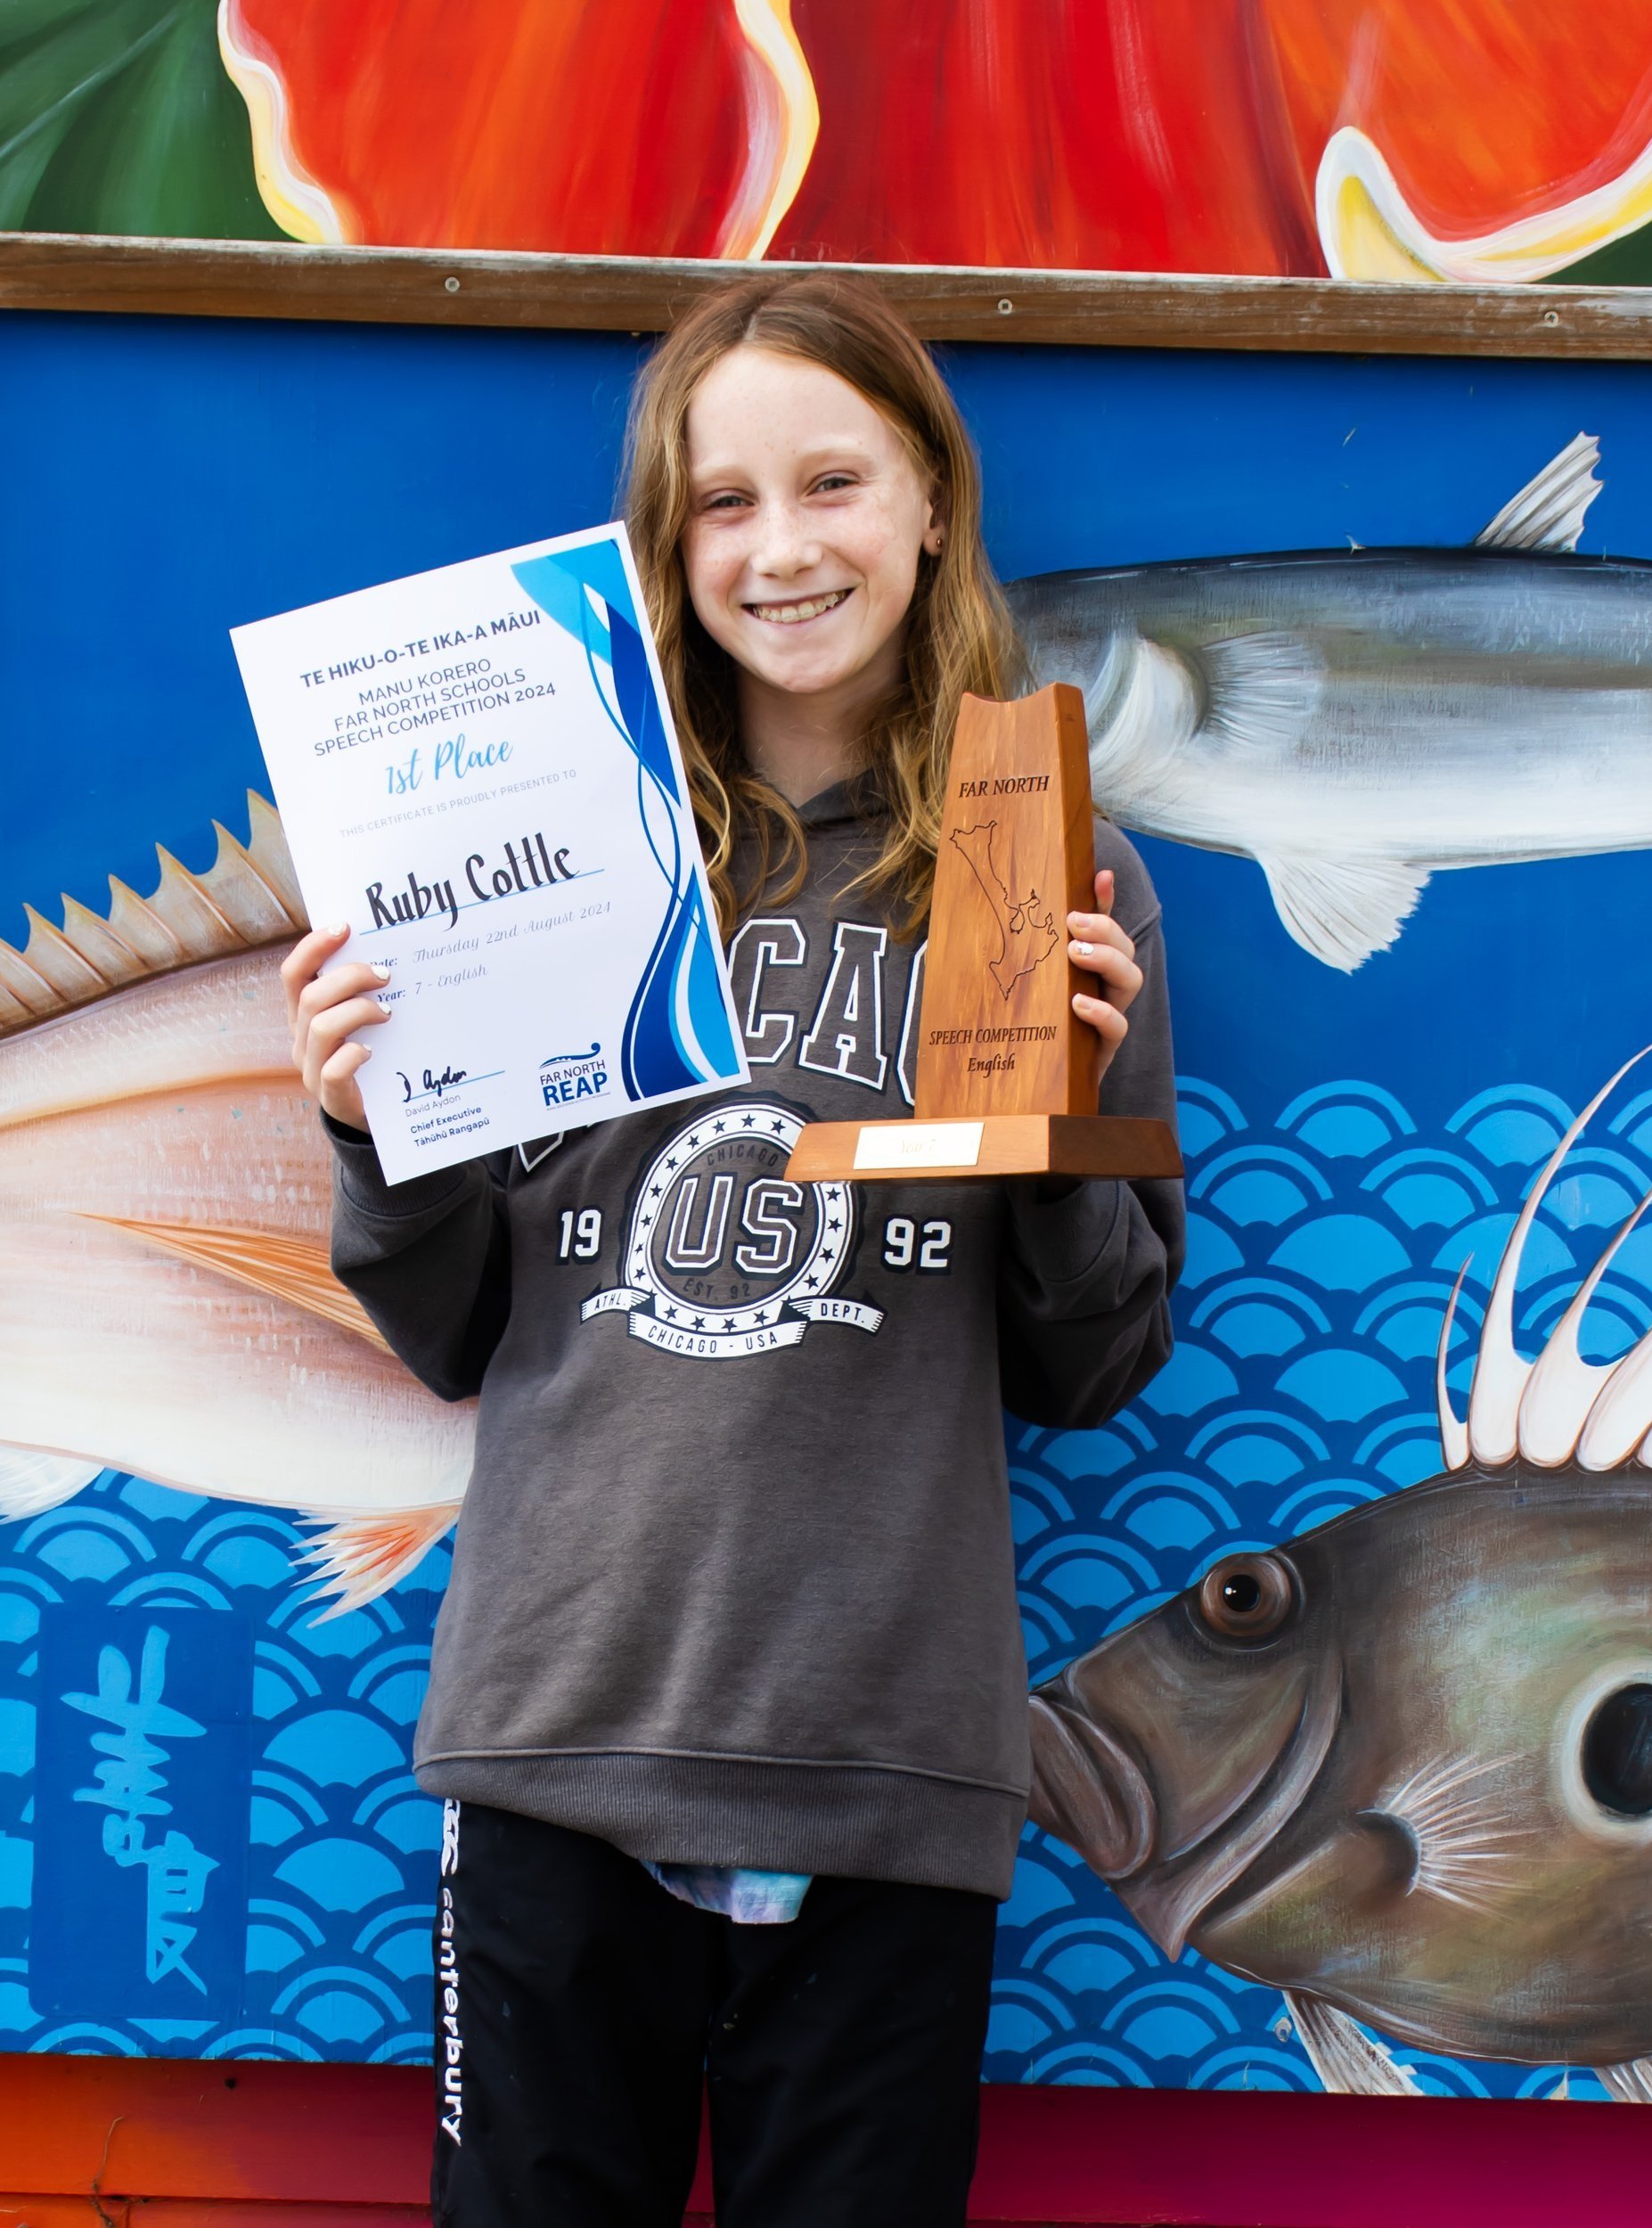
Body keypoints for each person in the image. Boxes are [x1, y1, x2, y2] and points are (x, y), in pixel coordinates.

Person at [280, 271, 1184, 2228]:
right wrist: (368, 1128)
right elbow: (448, 1330)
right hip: (558, 1731)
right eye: (720, 502)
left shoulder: (1046, 862)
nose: (781, 548)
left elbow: (1087, 1366)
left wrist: (1057, 1126)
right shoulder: (556, 848)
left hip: (884, 1752)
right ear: (662, 542)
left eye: (831, 482)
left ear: (929, 501)